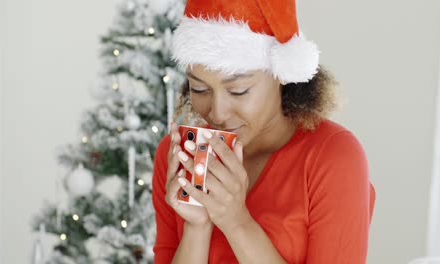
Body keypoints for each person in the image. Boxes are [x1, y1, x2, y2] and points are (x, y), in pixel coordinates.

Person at [152, 0, 376, 263]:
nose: (217, 113)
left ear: (280, 73)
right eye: (199, 89)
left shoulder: (333, 157)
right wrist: (196, 228)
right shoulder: (178, 153)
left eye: (238, 91)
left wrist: (237, 223)